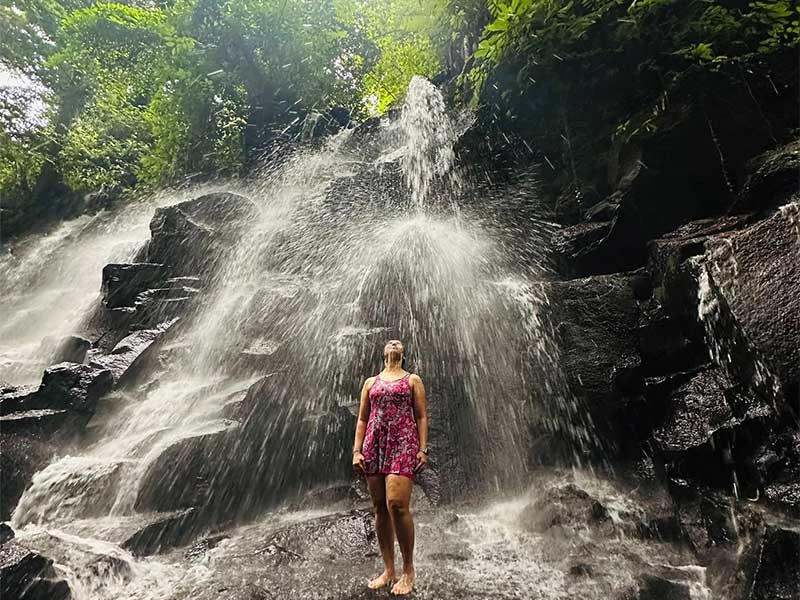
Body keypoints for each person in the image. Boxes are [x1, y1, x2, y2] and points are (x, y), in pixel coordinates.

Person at [352, 339, 429, 596]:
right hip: (374, 444)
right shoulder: (370, 382)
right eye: (390, 342)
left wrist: (422, 448)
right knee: (379, 508)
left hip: (403, 443)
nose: (394, 342)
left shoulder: (412, 380)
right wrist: (356, 450)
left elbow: (421, 416)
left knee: (396, 503)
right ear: (383, 353)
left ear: (403, 354)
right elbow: (363, 418)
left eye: (398, 342)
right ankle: (389, 570)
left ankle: (408, 569)